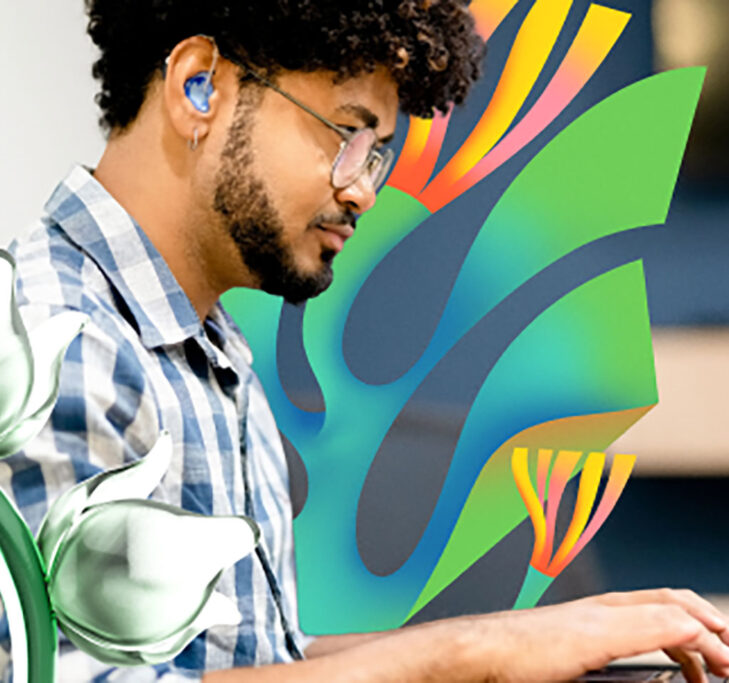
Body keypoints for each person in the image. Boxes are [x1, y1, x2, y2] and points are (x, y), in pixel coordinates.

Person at [1, 1, 729, 681]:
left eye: (374, 152)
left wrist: (545, 640)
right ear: (198, 87)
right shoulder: (52, 341)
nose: (362, 190)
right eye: (345, 134)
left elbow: (256, 656)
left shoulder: (206, 348)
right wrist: (475, 649)